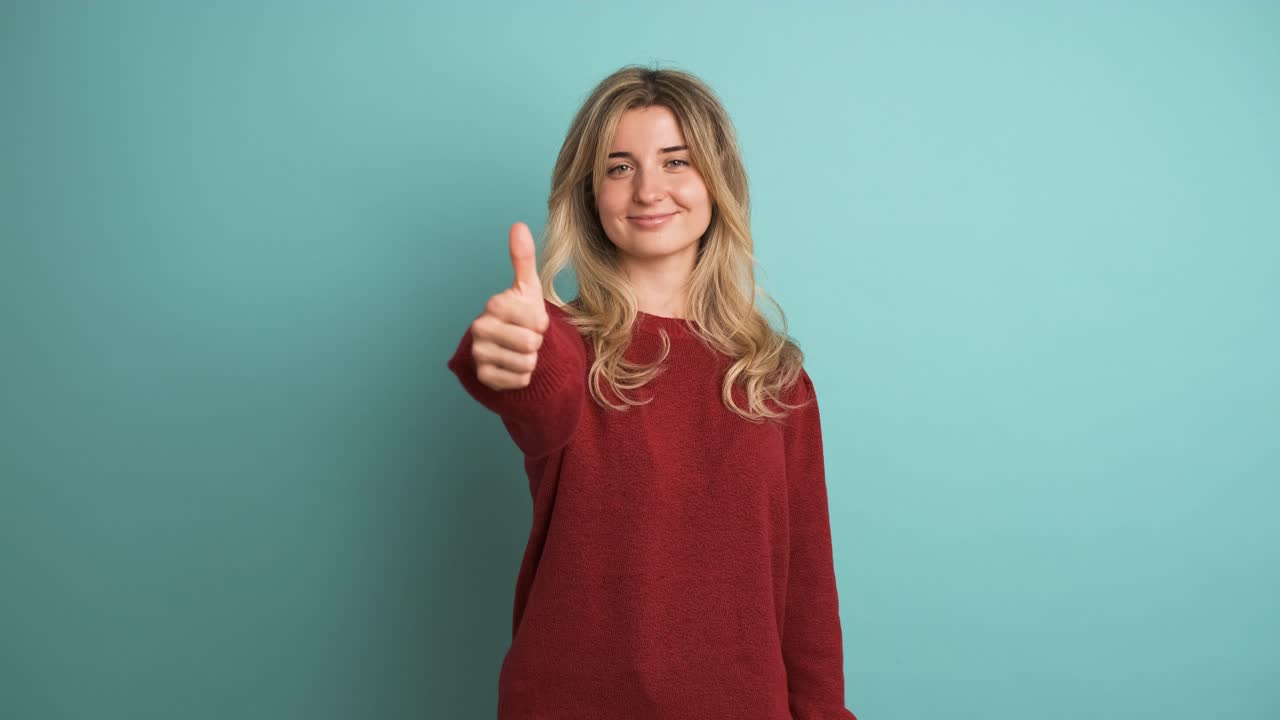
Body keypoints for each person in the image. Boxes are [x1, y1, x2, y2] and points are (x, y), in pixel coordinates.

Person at [447, 65, 858, 720]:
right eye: (618, 167)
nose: (648, 190)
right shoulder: (562, 343)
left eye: (676, 161)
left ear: (716, 182)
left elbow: (807, 602)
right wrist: (509, 348)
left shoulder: (774, 378)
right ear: (589, 194)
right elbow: (538, 396)